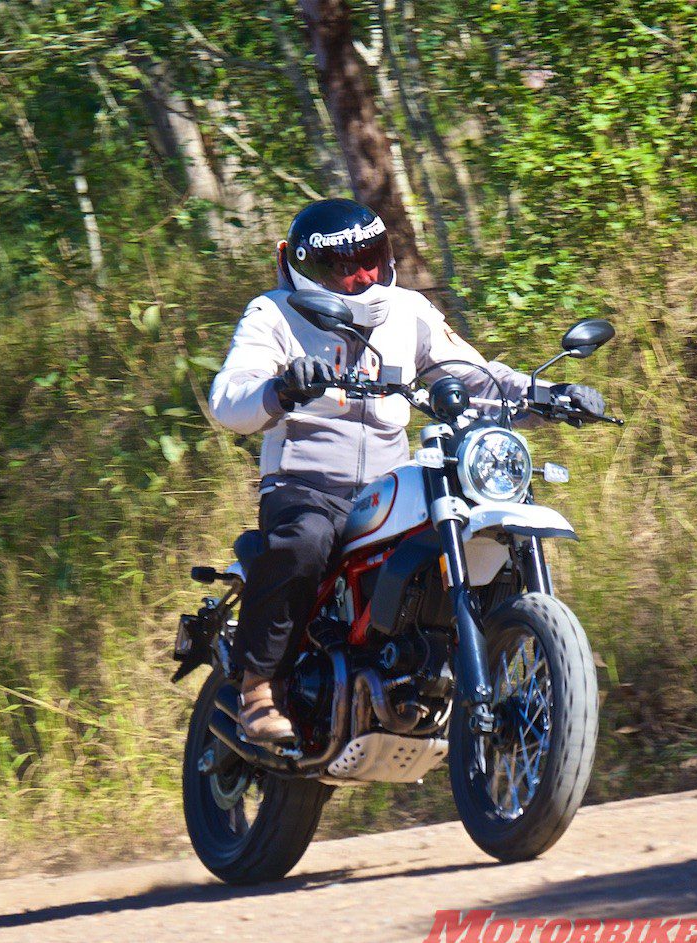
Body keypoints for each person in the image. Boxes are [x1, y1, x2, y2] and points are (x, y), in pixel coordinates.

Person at [208, 198, 605, 743]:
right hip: (305, 484)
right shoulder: (273, 314)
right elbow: (229, 400)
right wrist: (280, 387)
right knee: (305, 540)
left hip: (388, 486)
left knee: (470, 519)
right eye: (342, 265)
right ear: (303, 267)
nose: (362, 275)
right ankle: (260, 686)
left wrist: (549, 394)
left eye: (370, 257)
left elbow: (476, 376)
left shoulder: (406, 310)